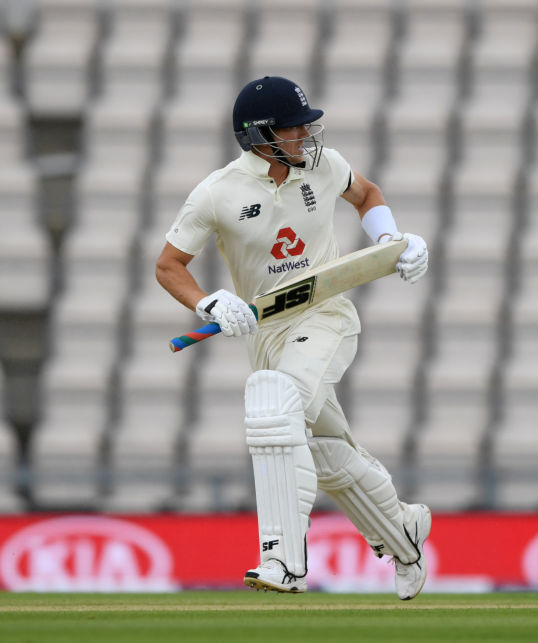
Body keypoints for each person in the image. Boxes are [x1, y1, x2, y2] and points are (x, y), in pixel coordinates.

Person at [155, 76, 432, 599]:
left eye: (306, 125)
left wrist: (391, 240)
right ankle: (404, 535)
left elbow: (367, 193)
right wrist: (208, 301)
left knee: (275, 406)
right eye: (294, 127)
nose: (306, 134)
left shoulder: (326, 166)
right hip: (265, 332)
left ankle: (282, 560)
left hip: (326, 314)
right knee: (325, 450)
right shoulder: (217, 192)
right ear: (259, 135)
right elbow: (169, 265)